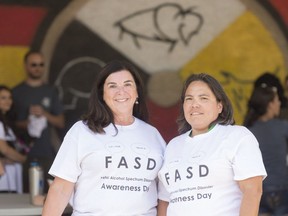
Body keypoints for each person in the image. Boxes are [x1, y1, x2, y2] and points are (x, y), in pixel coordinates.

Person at [42, 60, 166, 215]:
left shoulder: (152, 135)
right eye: (112, 86)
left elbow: (165, 195)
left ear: (137, 92)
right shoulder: (82, 131)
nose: (121, 91)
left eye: (127, 84)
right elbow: (60, 189)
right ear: (102, 94)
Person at [157, 73, 267, 216]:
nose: (194, 104)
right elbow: (165, 201)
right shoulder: (173, 146)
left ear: (219, 106)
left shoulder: (237, 136)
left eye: (203, 98)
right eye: (189, 99)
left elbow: (253, 191)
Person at [12, 50, 65, 193]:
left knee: (49, 197)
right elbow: (9, 125)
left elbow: (61, 122)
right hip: (23, 154)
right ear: (26, 66)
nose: (38, 68)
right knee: (24, 198)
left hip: (46, 152)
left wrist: (44, 114)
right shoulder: (16, 92)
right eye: (34, 64)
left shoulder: (50, 90)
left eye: (41, 64)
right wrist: (28, 122)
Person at [243, 84, 288, 215]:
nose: (279, 103)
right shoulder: (281, 127)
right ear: (270, 105)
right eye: (277, 100)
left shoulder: (247, 131)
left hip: (257, 191)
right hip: (281, 189)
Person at [0, 85, 26, 193]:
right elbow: (4, 149)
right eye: (3, 98)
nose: (8, 101)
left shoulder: (7, 123)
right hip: (4, 180)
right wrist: (24, 159)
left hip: (10, 177)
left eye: (10, 97)